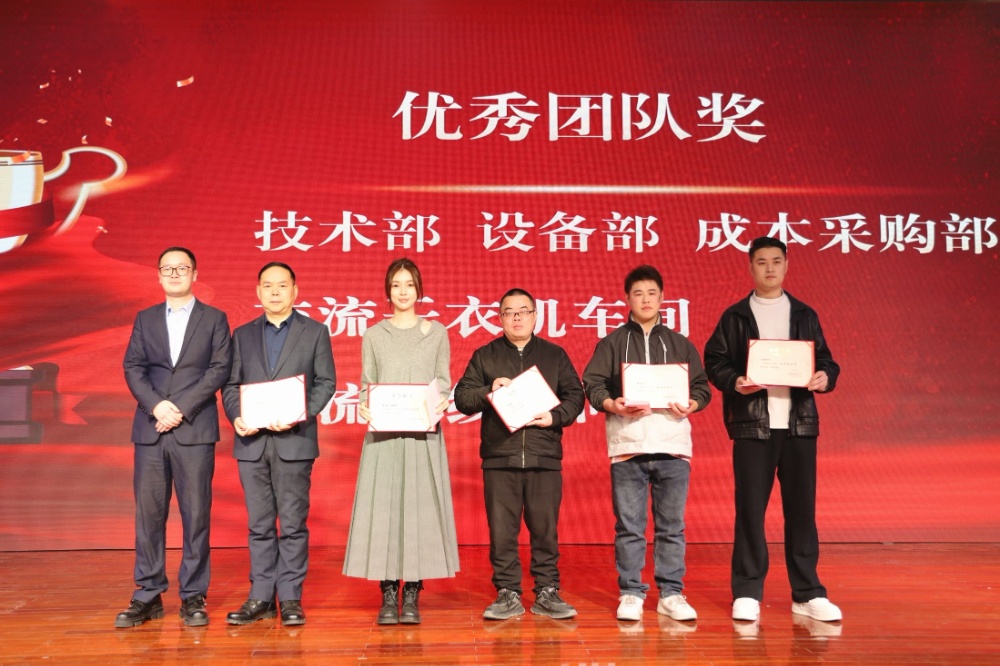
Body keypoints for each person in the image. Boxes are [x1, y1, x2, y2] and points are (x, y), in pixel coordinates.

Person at [703, 236, 842, 624]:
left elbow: (827, 361)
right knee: (750, 510)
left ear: (786, 265)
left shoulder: (804, 314)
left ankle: (808, 593)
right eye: (761, 262)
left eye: (776, 261)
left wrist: (824, 377)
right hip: (753, 426)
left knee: (802, 510)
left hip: (799, 425)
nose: (769, 268)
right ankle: (747, 591)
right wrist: (736, 381)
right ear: (750, 267)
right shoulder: (735, 316)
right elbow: (714, 361)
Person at [582, 265, 711, 622]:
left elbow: (701, 387)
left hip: (672, 445)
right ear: (627, 299)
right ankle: (630, 593)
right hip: (628, 446)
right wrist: (612, 404)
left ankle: (671, 593)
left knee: (672, 527)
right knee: (629, 527)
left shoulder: (680, 344)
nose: (645, 300)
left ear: (662, 297)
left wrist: (693, 404)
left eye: (652, 293)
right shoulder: (612, 343)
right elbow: (593, 384)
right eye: (638, 294)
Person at [117, 247, 232, 628]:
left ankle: (193, 594)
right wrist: (157, 406)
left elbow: (219, 369)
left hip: (193, 429)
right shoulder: (145, 318)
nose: (175, 274)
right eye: (167, 269)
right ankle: (148, 593)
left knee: (196, 514)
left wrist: (179, 408)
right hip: (151, 429)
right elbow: (133, 367)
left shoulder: (214, 319)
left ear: (195, 274)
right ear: (158, 276)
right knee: (149, 515)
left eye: (182, 268)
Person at [454, 288, 585, 621]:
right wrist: (489, 390)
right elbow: (462, 398)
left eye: (523, 311)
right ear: (500, 318)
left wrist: (554, 417)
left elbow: (575, 396)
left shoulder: (555, 355)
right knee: (502, 532)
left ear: (535, 316)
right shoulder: (485, 355)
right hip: (500, 456)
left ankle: (547, 590)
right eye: (509, 312)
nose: (517, 318)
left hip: (544, 455)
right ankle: (507, 592)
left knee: (545, 530)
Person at [343, 258, 460, 625]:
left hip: (423, 435)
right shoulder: (374, 334)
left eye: (409, 284)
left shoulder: (437, 332)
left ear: (419, 289)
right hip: (384, 436)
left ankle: (413, 592)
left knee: (419, 510)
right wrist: (364, 405)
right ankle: (388, 591)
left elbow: (443, 382)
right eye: (396, 285)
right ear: (388, 291)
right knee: (385, 509)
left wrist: (443, 401)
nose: (403, 291)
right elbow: (367, 383)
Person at [222, 262, 336, 626]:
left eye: (282, 285)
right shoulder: (242, 334)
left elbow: (326, 383)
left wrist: (298, 414)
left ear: (295, 291)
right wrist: (236, 416)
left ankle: (289, 598)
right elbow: (230, 385)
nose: (274, 292)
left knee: (292, 523)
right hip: (252, 442)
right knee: (258, 524)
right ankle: (260, 597)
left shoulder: (314, 331)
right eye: (268, 286)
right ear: (258, 292)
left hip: (293, 440)